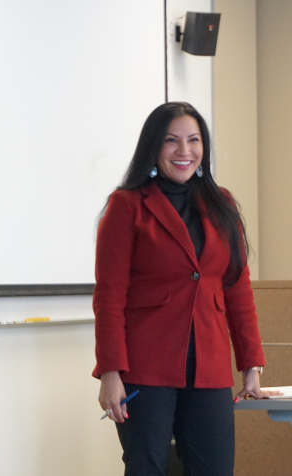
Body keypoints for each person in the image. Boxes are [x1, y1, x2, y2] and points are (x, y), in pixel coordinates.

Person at [92, 102, 268, 476]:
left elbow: (237, 289)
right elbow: (109, 296)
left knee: (215, 469)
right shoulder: (126, 205)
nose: (184, 150)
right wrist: (110, 372)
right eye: (171, 140)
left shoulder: (222, 203)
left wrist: (250, 364)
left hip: (210, 366)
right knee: (147, 467)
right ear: (153, 146)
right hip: (145, 367)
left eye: (193, 140)